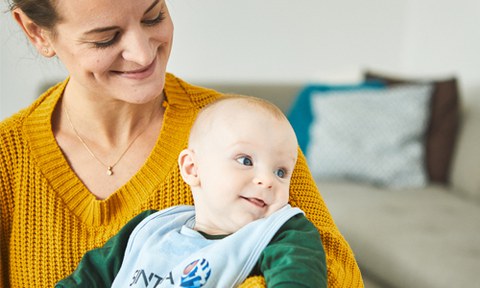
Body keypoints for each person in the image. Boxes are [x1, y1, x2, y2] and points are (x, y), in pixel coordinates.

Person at [0, 0, 363, 287]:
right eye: (105, 38)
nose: (143, 55)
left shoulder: (250, 135)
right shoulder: (7, 158)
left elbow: (338, 276)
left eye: (154, 16)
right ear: (37, 33)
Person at [55, 96, 328, 288]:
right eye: (245, 160)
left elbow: (298, 276)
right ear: (192, 168)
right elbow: (87, 278)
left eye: (281, 172)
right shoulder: (150, 229)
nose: (267, 181)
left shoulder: (283, 233)